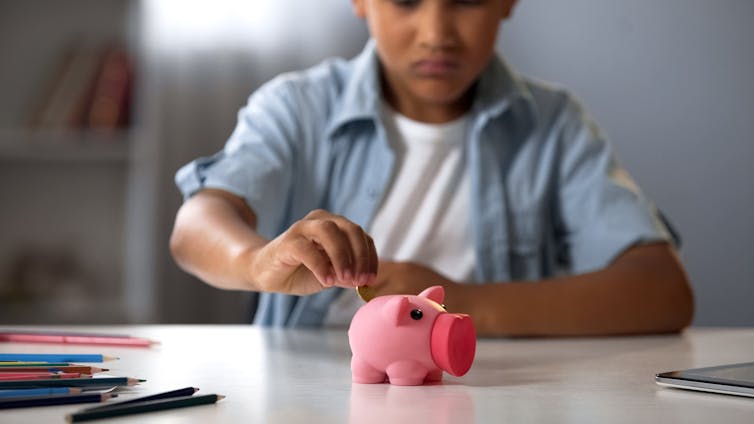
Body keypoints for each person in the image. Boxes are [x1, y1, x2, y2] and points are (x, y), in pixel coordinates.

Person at [170, 0, 694, 337]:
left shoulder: (554, 125)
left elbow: (663, 291)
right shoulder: (296, 106)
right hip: (310, 391)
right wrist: (258, 261)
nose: (436, 32)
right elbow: (195, 228)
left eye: (465, 1)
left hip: (491, 392)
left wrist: (463, 303)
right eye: (406, 2)